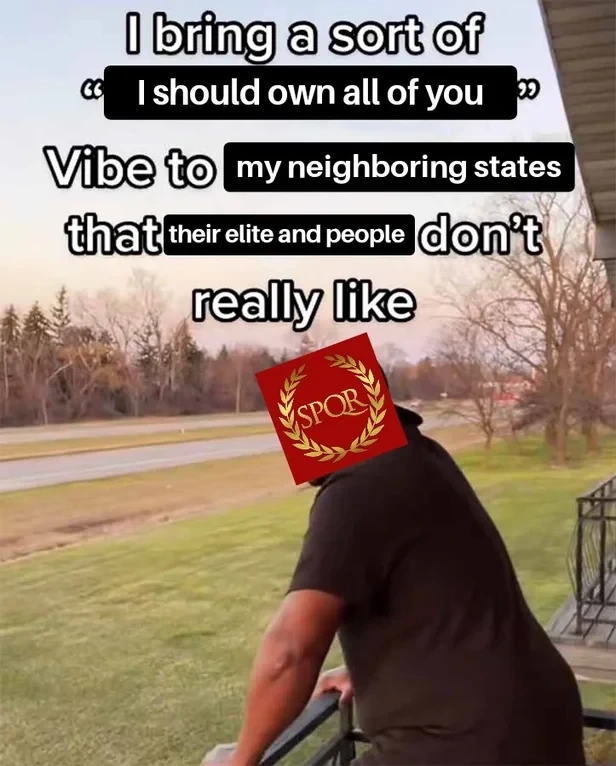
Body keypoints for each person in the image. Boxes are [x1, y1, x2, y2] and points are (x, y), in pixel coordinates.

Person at [220, 378, 586, 766]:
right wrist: (370, 672)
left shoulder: (358, 488)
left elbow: (291, 651)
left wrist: (241, 759)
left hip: (466, 740)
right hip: (536, 713)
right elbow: (441, 595)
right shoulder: (422, 457)